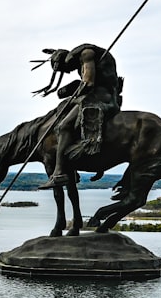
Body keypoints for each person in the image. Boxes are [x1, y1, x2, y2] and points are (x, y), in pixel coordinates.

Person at [34, 44, 122, 189]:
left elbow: (88, 83)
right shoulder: (88, 55)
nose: (68, 72)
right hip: (100, 95)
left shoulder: (86, 54)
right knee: (65, 111)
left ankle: (60, 172)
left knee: (64, 127)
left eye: (64, 69)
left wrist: (70, 94)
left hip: (101, 99)